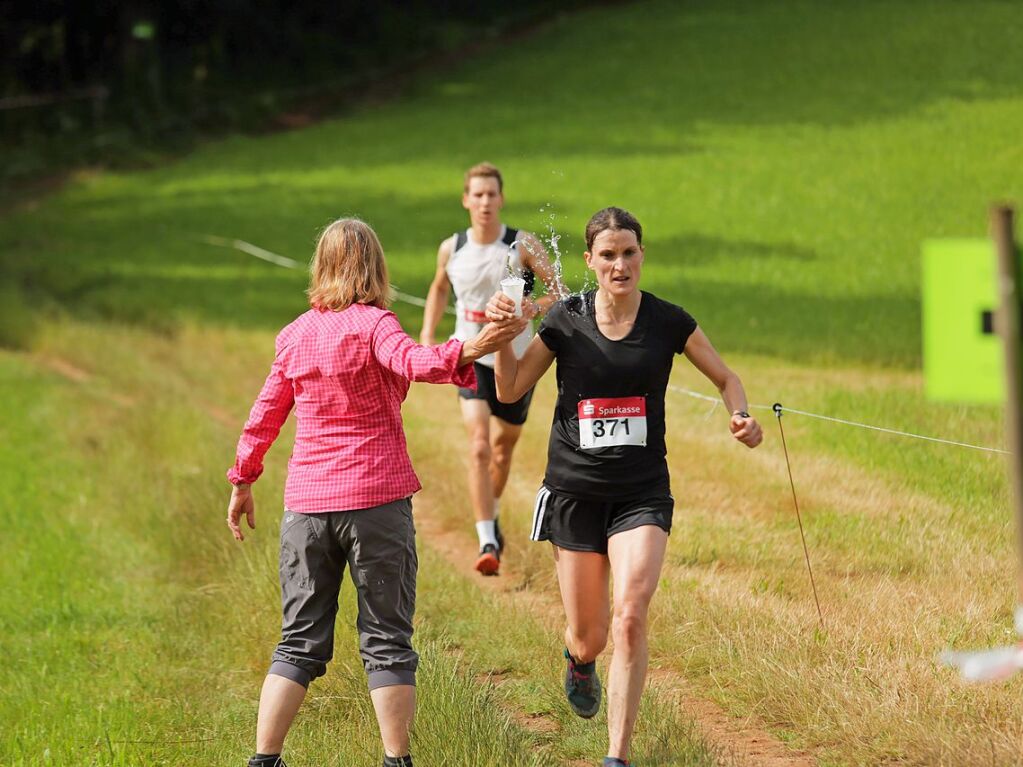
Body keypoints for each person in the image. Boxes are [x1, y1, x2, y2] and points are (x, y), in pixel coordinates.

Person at [225, 218, 526, 767]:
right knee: (386, 639)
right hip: (376, 502)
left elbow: (265, 414)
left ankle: (264, 760)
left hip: (307, 508)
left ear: (322, 266)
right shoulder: (375, 325)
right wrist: (477, 345)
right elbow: (417, 362)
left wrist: (244, 478)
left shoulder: (294, 335)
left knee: (296, 642)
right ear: (375, 267)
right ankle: (395, 761)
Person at [486, 207, 763, 766]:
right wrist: (499, 337)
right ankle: (579, 659)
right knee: (590, 636)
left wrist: (741, 416)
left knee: (631, 614)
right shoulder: (565, 319)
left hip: (641, 493)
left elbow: (727, 377)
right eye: (607, 255)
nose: (619, 264)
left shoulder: (667, 321)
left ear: (642, 255)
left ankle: (617, 755)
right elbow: (511, 388)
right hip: (575, 494)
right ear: (589, 260)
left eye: (629, 252)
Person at [420, 162, 565, 575]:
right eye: (477, 194)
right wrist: (428, 334)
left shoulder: (522, 245)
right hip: (471, 354)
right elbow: (438, 287)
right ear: (466, 200)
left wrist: (532, 308)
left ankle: (492, 513)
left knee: (503, 450)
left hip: (518, 361)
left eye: (491, 194)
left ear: (501, 199)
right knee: (479, 445)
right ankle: (487, 540)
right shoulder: (452, 247)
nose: (484, 202)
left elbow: (560, 293)